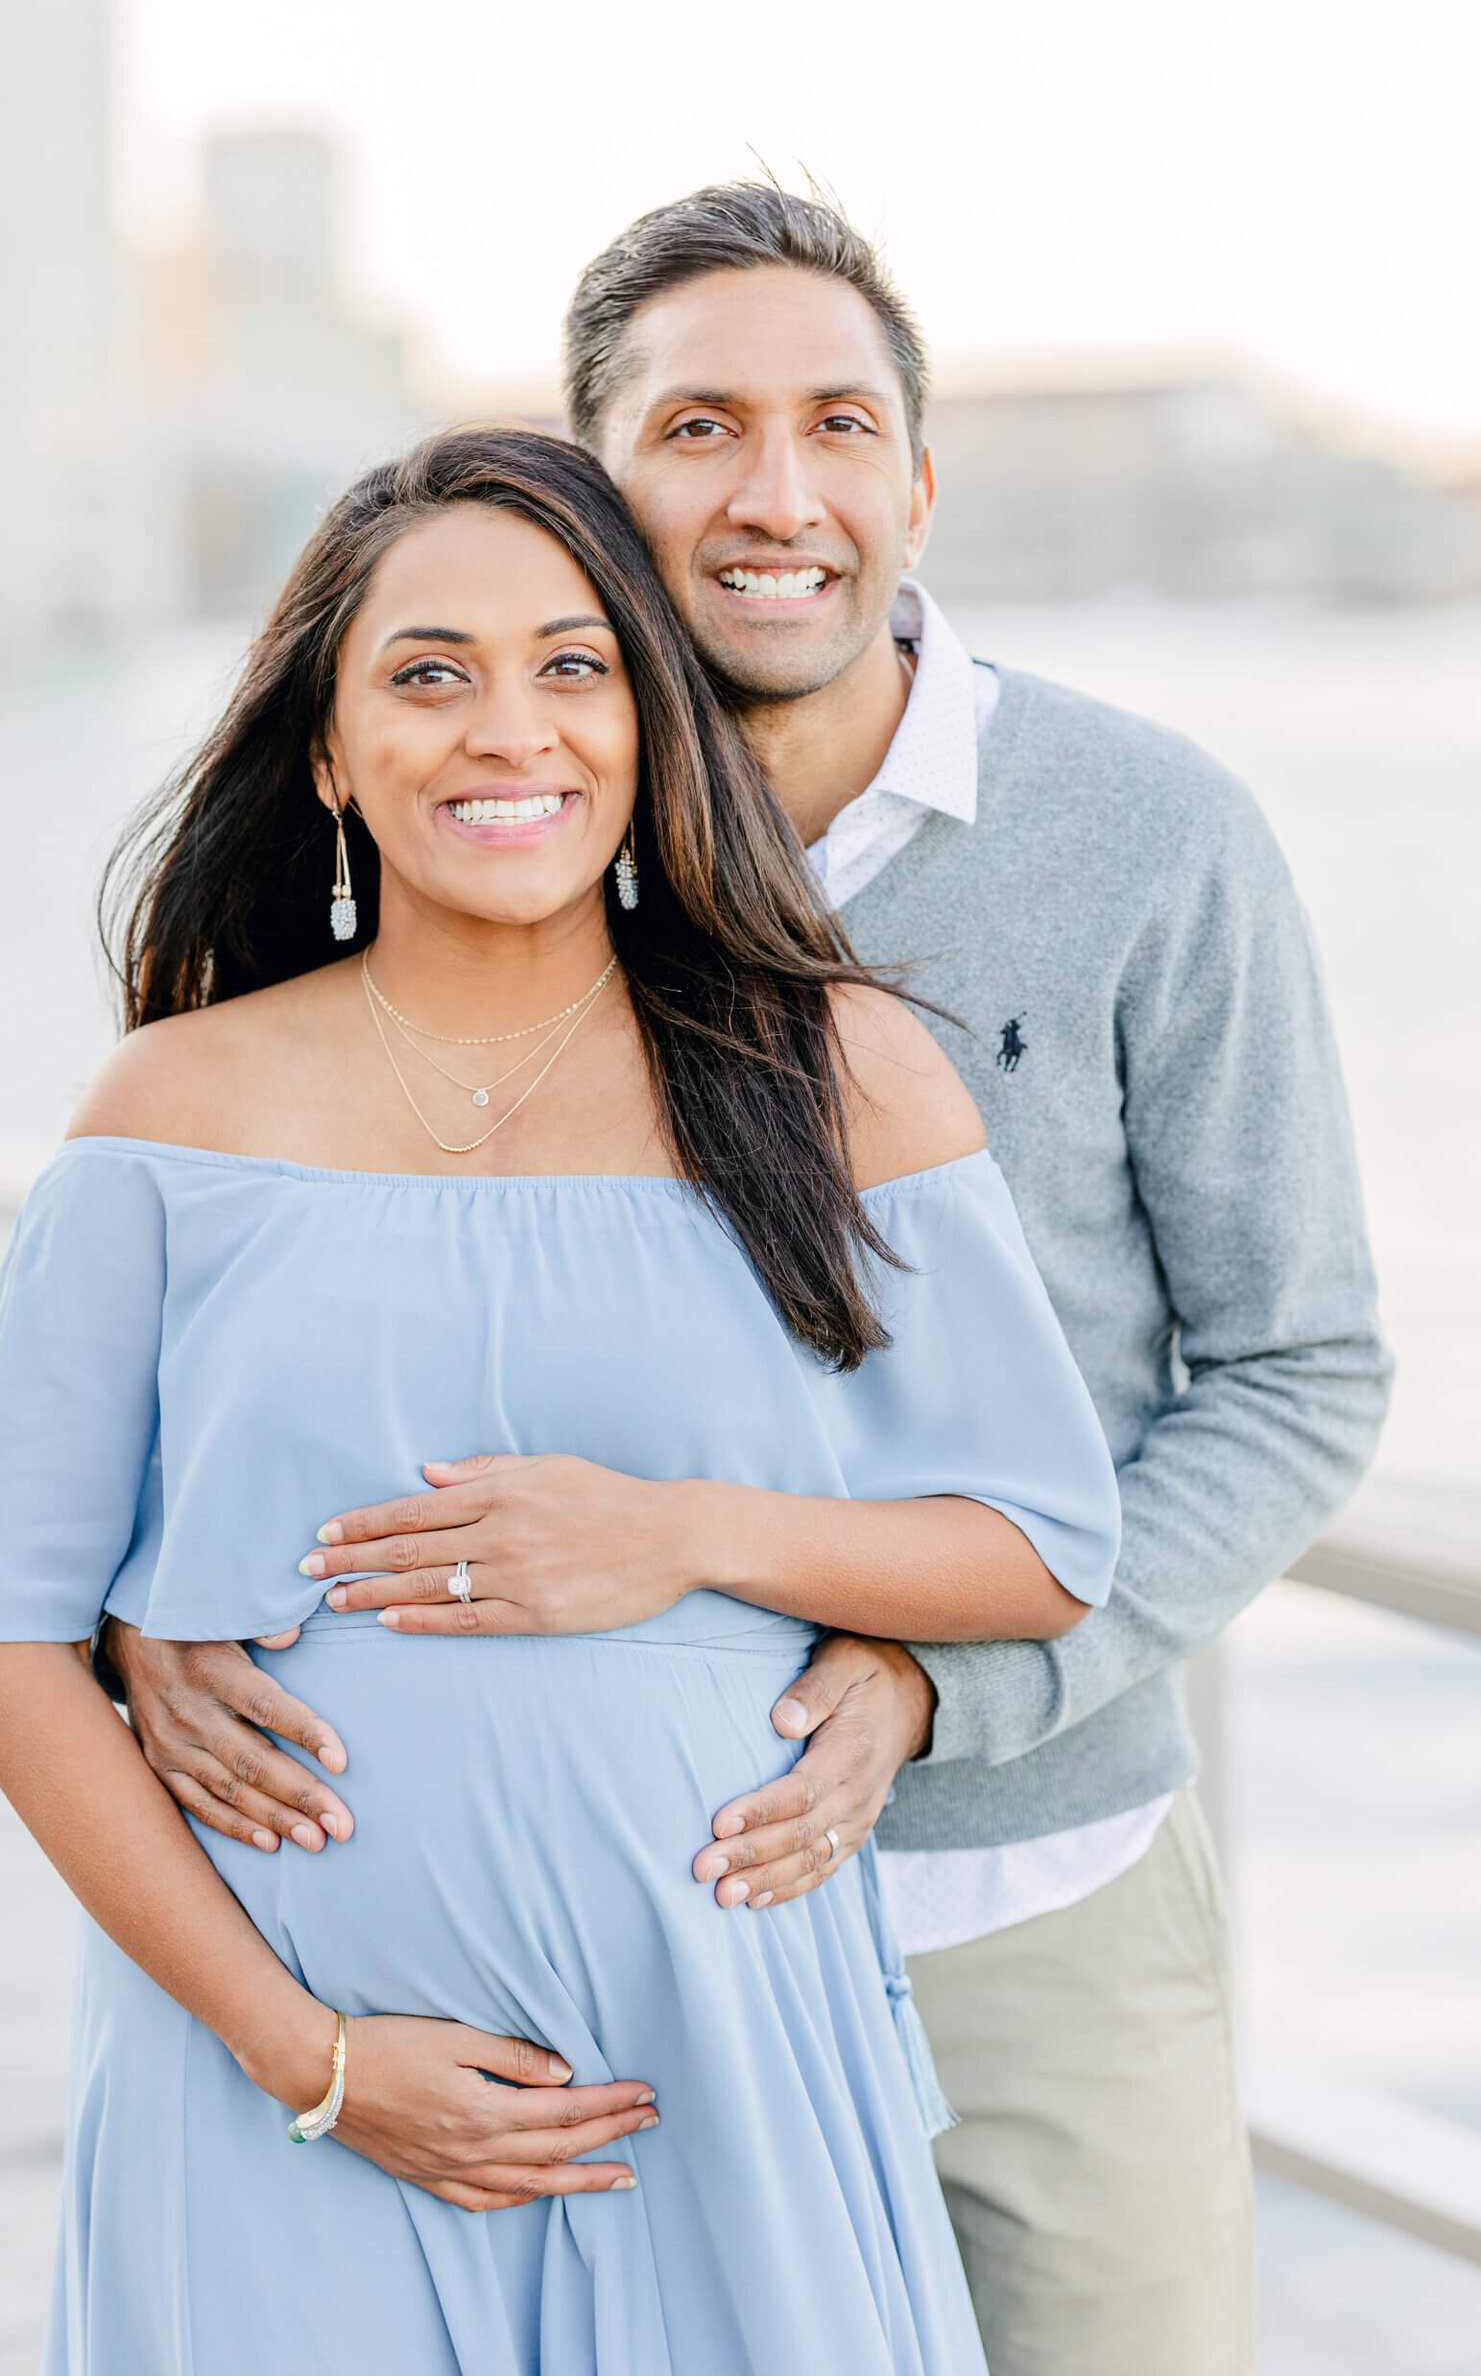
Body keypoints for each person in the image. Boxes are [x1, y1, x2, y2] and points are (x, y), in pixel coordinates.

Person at [104, 187, 1393, 2374]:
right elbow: (259, 1297)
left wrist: (927, 1684)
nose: (771, 494)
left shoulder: (1145, 833)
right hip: (574, 1939)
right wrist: (159, 1590)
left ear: (915, 482)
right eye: (694, 427)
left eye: (834, 427)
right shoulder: (480, 828)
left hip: (1026, 1901)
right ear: (590, 480)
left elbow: (1295, 1371)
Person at [0, 427, 1125, 2375]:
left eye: (573, 664)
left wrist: (682, 1534)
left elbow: (1040, 1544)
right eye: (427, 674)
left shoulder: (830, 1071)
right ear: (331, 752)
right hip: (276, 2094)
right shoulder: (170, 1114)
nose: (503, 729)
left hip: (708, 2060)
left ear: (652, 723)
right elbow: (16, 1636)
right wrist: (313, 2060)